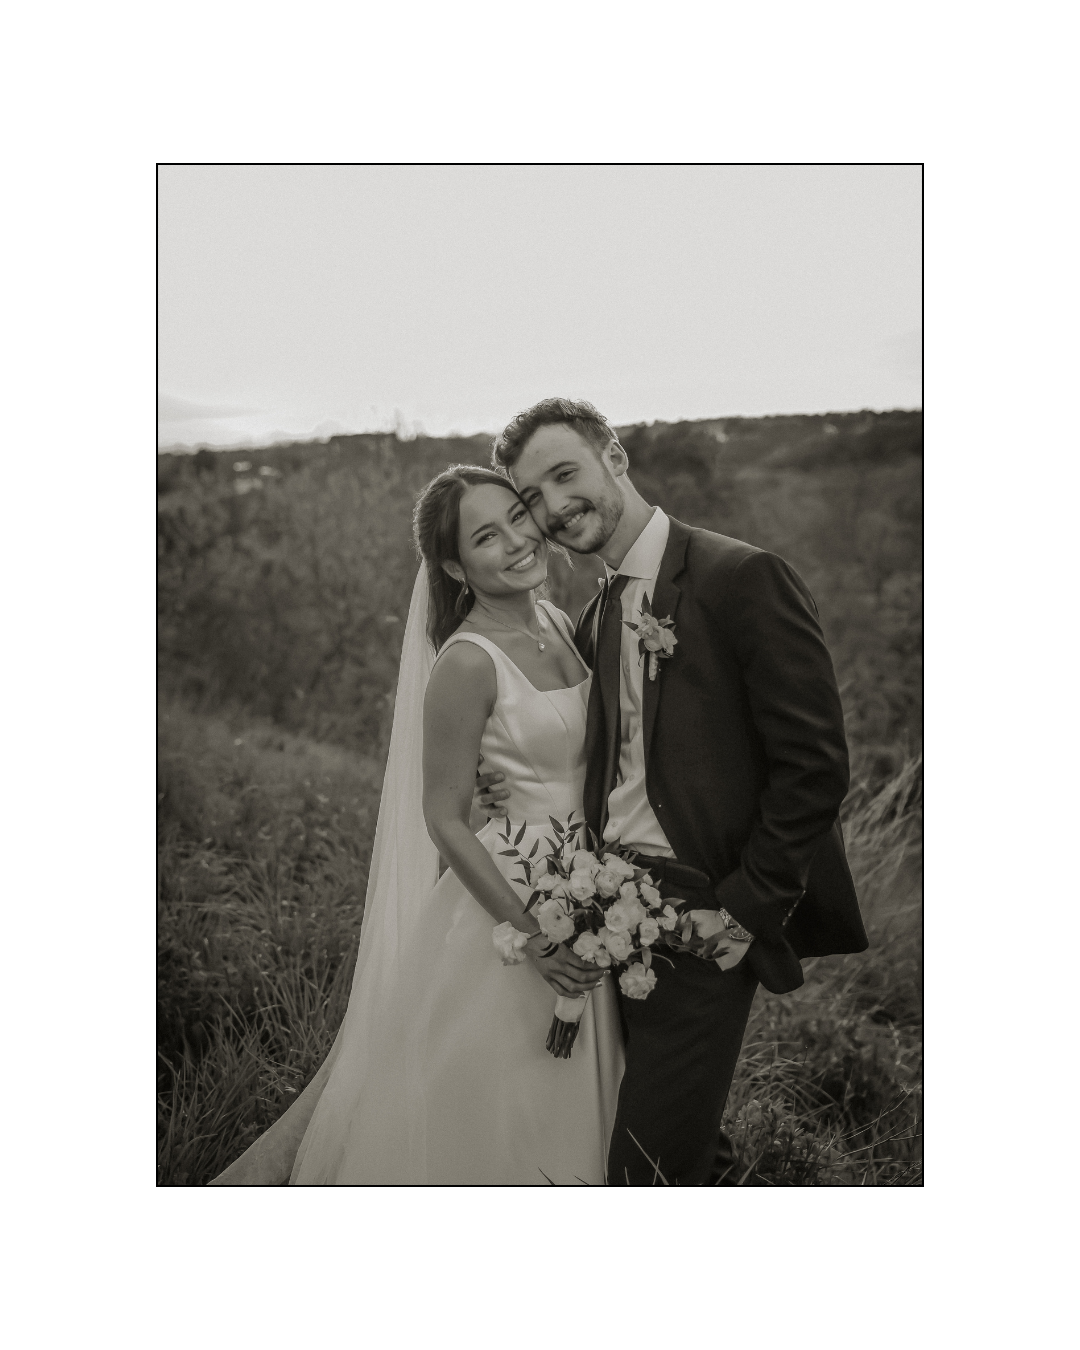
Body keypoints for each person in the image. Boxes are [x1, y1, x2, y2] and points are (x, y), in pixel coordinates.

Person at [475, 398, 868, 1185]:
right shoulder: (595, 613)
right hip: (603, 914)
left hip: (701, 914)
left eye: (565, 474)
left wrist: (741, 911)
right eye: (533, 497)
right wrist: (504, 777)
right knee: (675, 1137)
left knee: (644, 1166)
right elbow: (601, 757)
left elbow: (815, 764)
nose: (554, 507)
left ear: (613, 456)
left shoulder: (740, 577)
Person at [209, 465, 623, 1185]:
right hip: (512, 896)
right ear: (458, 566)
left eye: (518, 517)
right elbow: (444, 819)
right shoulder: (466, 662)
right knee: (497, 1101)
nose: (518, 541)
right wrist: (531, 933)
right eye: (486, 538)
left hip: (589, 878)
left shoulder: (559, 623)